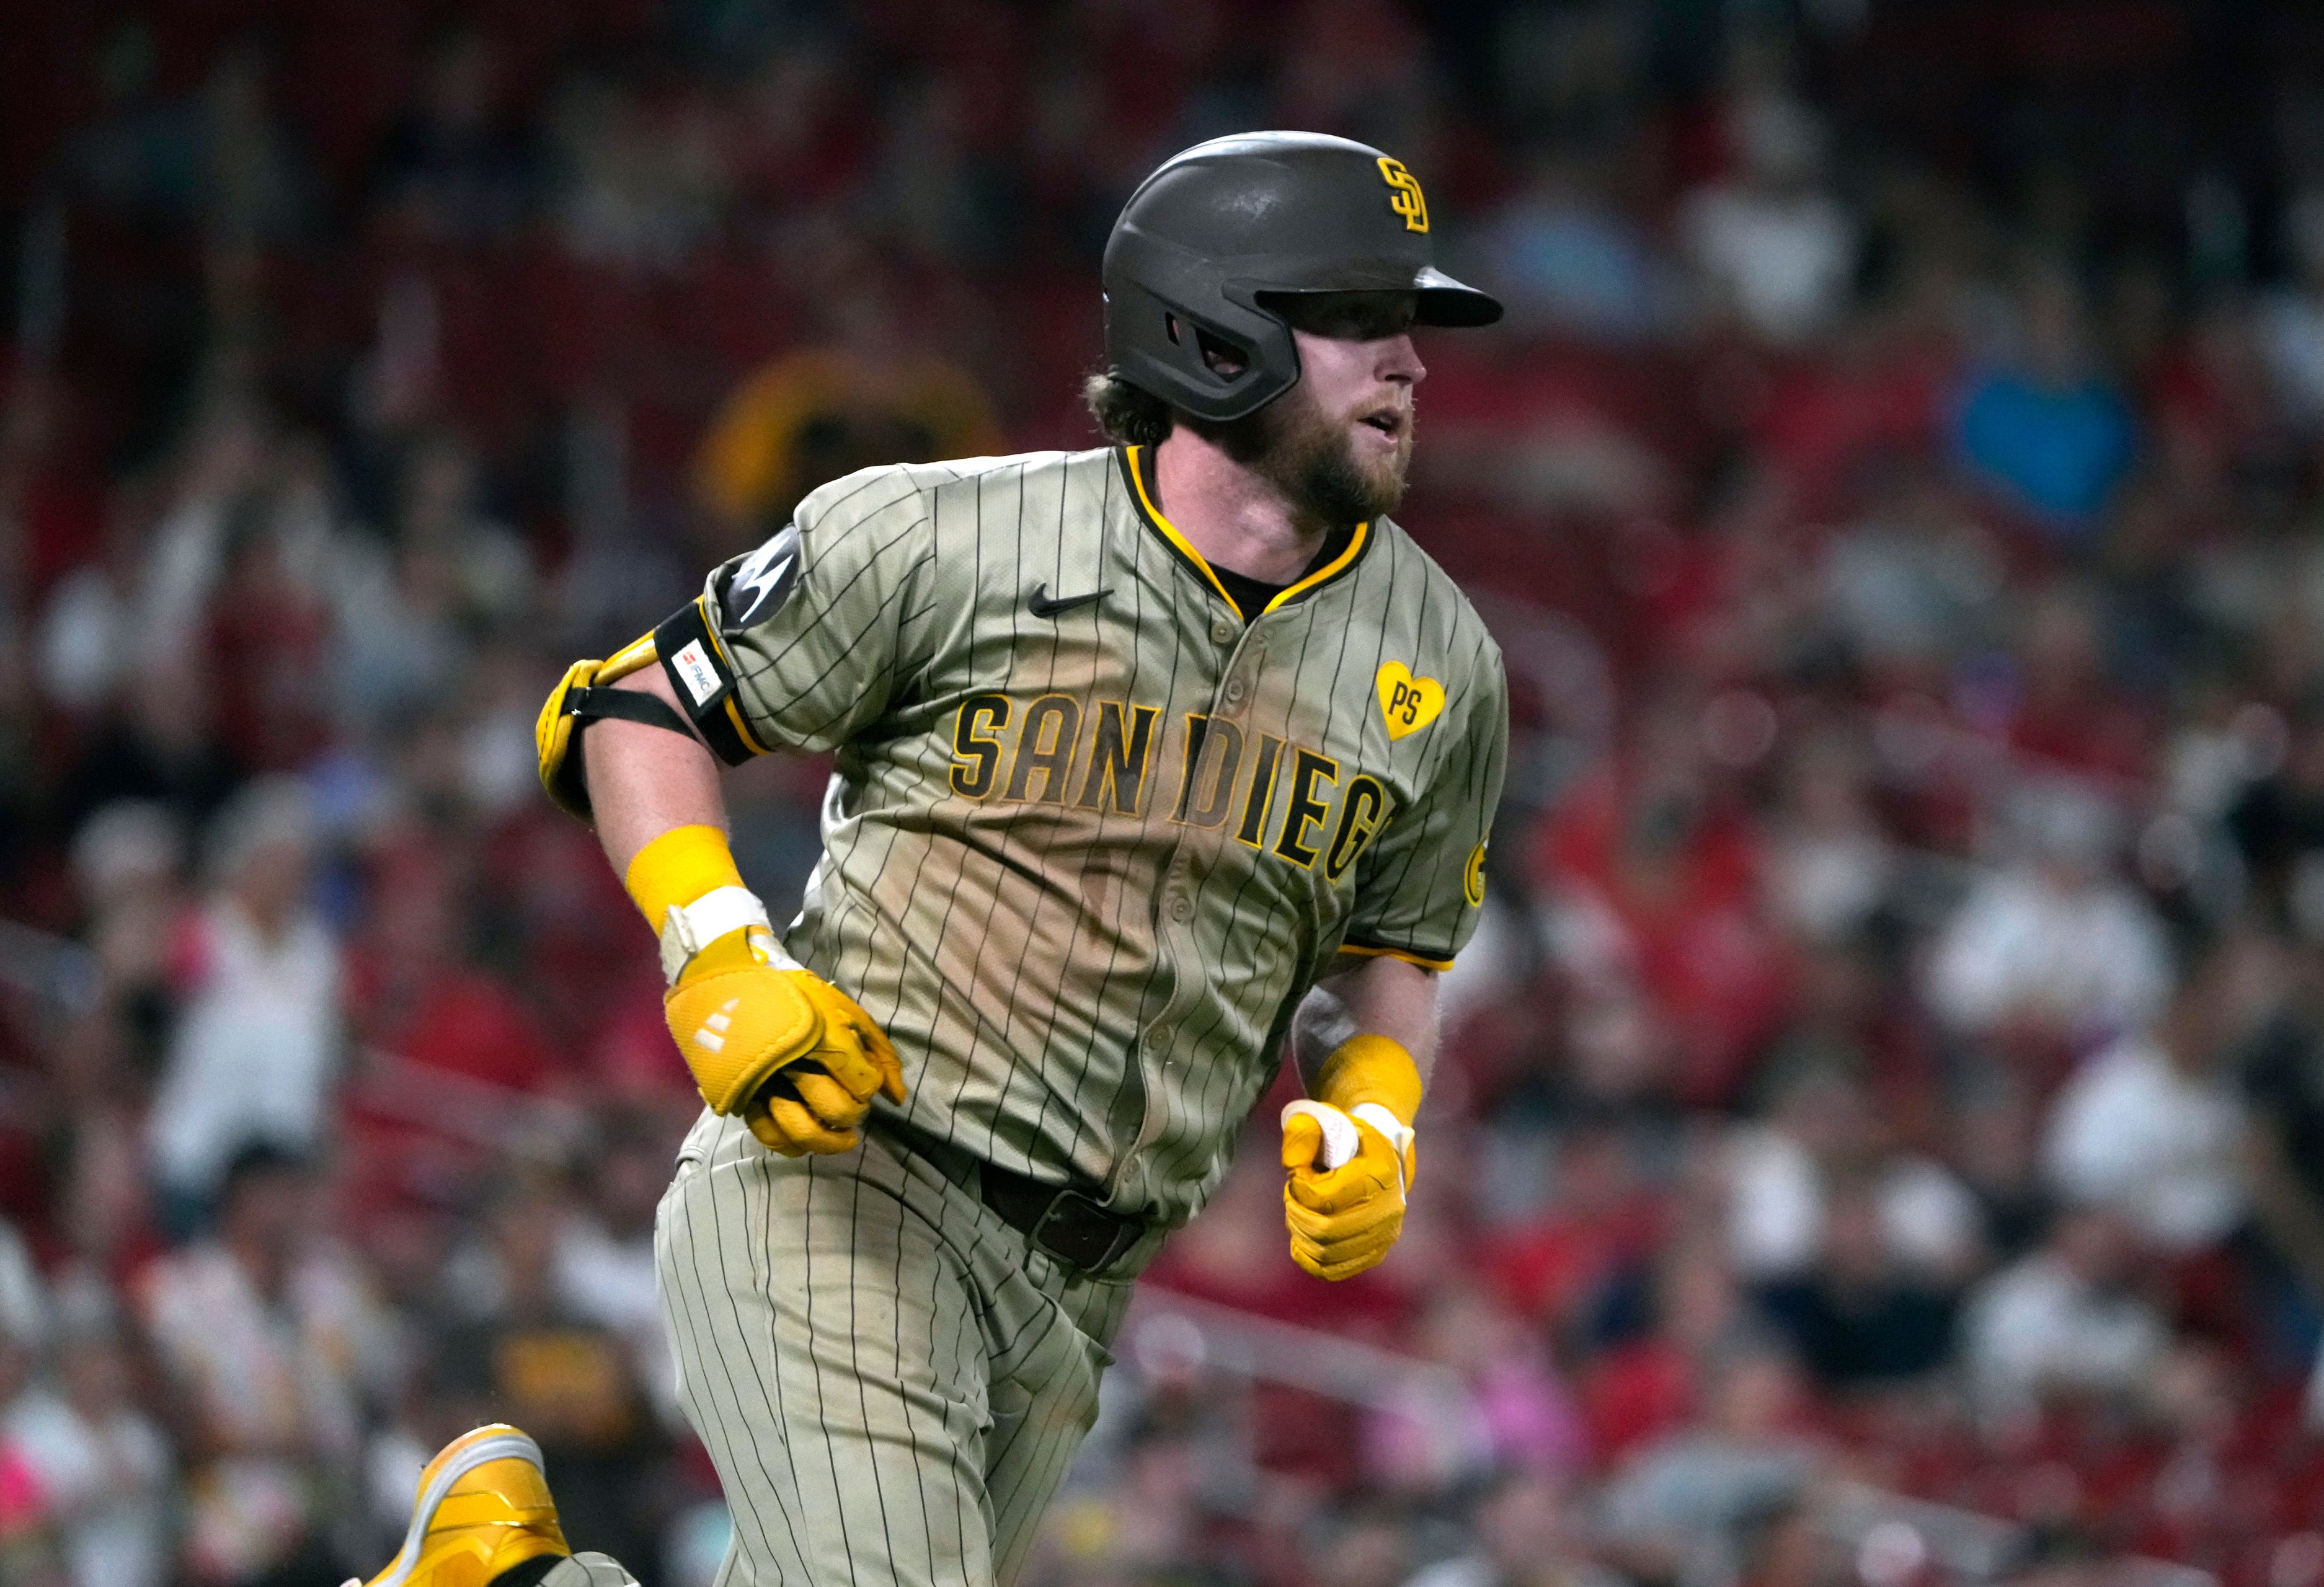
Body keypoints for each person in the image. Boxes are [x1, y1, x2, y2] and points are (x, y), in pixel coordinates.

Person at [353, 130, 1509, 1587]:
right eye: (1356, 318)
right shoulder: (946, 535)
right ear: (1214, 329)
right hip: (848, 1179)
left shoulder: (1446, 661)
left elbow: (1392, 946)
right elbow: (637, 707)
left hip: (1083, 1289)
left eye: (1408, 324)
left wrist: (1381, 1107)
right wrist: (719, 945)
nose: (1409, 361)